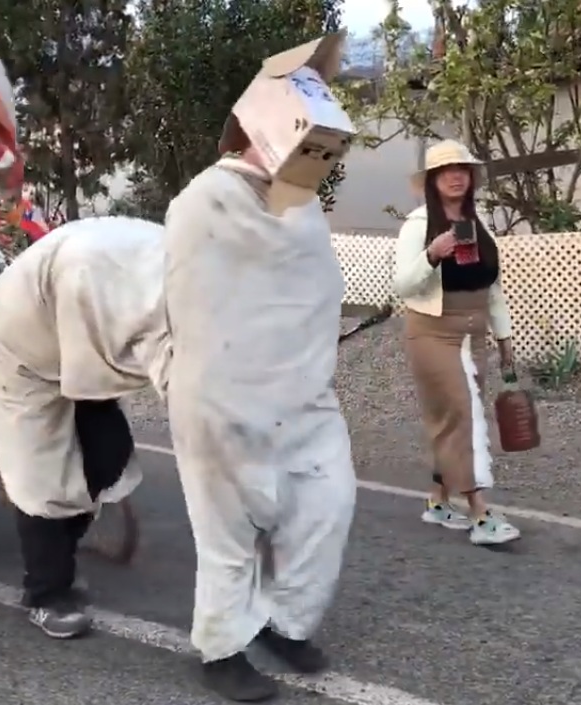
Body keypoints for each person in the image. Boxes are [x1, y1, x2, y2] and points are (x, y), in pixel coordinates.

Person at [161, 113, 356, 701]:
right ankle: (220, 649)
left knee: (327, 507)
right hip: (224, 398)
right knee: (227, 535)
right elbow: (197, 291)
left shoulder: (302, 207)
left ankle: (287, 625)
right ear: (253, 138)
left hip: (304, 395)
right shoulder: (205, 197)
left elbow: (314, 291)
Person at [0, 216, 171, 639]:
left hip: (70, 347)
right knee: (43, 477)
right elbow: (99, 371)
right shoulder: (87, 272)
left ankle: (60, 546)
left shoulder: (175, 261)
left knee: (110, 453)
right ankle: (45, 592)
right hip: (20, 357)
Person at [391, 139, 521, 547]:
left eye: (463, 170)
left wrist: (504, 338)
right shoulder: (417, 224)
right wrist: (432, 254)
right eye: (447, 171)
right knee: (464, 416)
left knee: (455, 417)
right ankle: (479, 511)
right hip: (433, 330)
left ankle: (438, 499)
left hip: (474, 329)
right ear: (432, 180)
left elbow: (492, 286)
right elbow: (403, 285)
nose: (456, 177)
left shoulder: (477, 223)